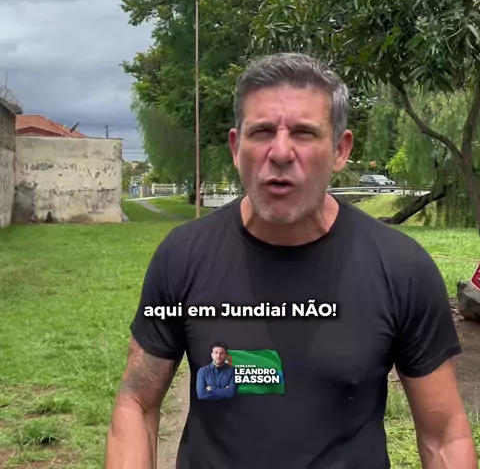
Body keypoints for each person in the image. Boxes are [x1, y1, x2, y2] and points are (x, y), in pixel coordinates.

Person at [105, 52, 477, 468]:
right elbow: (137, 403)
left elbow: (445, 437)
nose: (280, 152)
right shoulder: (182, 257)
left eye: (303, 133)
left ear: (340, 150)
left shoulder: (401, 270)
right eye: (262, 132)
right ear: (236, 147)